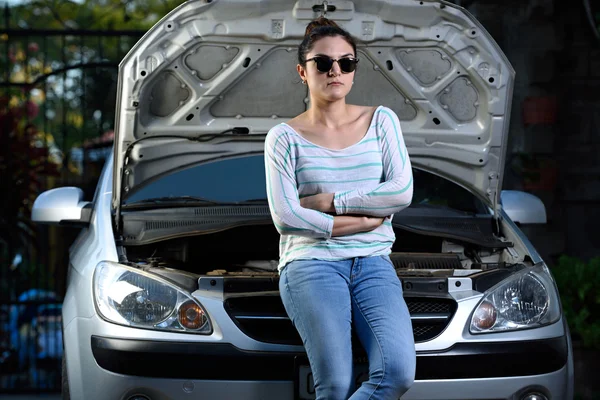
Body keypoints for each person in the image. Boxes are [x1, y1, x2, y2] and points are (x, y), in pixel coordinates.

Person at [264, 16, 416, 400]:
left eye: (346, 63)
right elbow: (286, 218)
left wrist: (333, 202)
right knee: (334, 386)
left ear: (354, 70)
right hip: (310, 264)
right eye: (323, 63)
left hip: (374, 263)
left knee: (396, 373)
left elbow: (401, 192)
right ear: (303, 71)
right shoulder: (283, 137)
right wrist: (363, 220)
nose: (336, 70)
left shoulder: (382, 121)